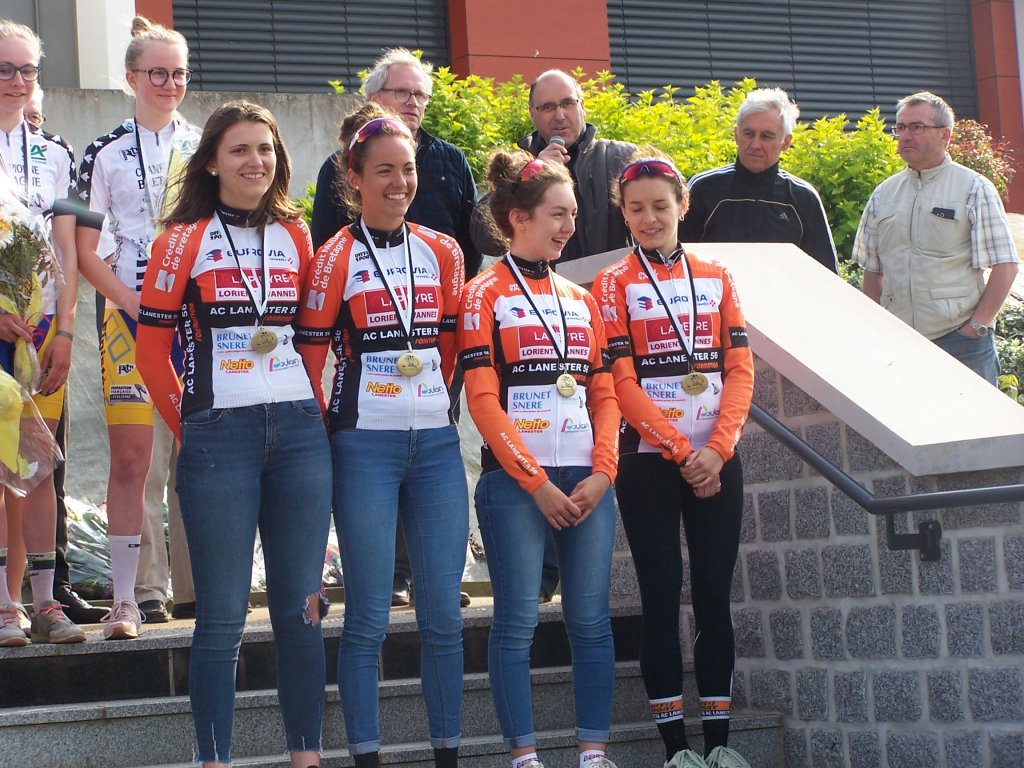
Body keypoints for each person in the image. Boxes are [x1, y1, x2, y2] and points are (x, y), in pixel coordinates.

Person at [136, 100, 332, 768]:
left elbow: (311, 338)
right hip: (219, 434)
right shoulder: (181, 239)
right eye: (240, 150)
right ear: (212, 163)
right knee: (221, 616)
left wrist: (310, 409)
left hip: (299, 434)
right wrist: (193, 426)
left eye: (266, 149)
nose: (256, 162)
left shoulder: (297, 233)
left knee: (303, 610)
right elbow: (150, 354)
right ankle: (214, 761)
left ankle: (306, 759)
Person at [295, 103, 468, 768]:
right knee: (367, 615)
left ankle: (447, 755)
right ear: (354, 179)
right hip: (363, 444)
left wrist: (431, 408)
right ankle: (367, 757)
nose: (400, 183)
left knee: (443, 616)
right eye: (385, 171)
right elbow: (310, 366)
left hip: (435, 447)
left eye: (408, 170)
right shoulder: (334, 257)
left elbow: (450, 351)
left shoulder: (445, 251)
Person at [593, 153, 755, 768]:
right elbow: (621, 381)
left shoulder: (717, 276)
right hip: (648, 461)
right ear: (624, 214)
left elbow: (739, 370)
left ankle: (719, 746)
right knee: (660, 598)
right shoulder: (612, 283)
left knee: (714, 597)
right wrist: (684, 451)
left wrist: (717, 449)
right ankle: (676, 751)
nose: (649, 218)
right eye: (636, 209)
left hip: (717, 458)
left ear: (682, 206)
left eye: (661, 206)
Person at [459, 151, 620, 768]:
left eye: (573, 214)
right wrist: (534, 483)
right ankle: (524, 757)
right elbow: (482, 402)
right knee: (517, 622)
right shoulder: (482, 295)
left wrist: (604, 472)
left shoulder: (582, 298)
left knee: (591, 622)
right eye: (558, 214)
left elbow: (604, 394)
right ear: (518, 219)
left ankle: (593, 754)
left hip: (586, 479)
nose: (569, 227)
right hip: (515, 484)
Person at [311, 47, 480, 608]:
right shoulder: (339, 167)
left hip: (431, 333)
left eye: (420, 94)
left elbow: (468, 248)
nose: (412, 101)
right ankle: (390, 577)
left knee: (426, 447)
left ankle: (422, 573)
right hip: (366, 351)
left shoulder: (450, 160)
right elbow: (326, 257)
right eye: (400, 91)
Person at [76, 15, 200, 637]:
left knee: (197, 454)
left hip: (197, 320)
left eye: (179, 73)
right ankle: (143, 590)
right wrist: (131, 302)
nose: (169, 84)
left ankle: (199, 588)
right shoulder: (103, 152)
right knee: (137, 461)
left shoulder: (205, 145)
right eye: (157, 73)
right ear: (130, 78)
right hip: (128, 316)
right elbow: (84, 250)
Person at [0, 18, 85, 647]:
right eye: (4, 69)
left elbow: (71, 246)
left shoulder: (57, 152)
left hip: (42, 327)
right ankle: (4, 606)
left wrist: (67, 330)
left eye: (26, 69)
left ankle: (46, 603)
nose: (16, 80)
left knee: (39, 464)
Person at [853, 91, 1019, 384]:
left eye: (917, 127)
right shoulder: (883, 194)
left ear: (945, 135)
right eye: (900, 127)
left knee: (972, 416)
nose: (905, 135)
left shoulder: (974, 188)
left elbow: (1005, 265)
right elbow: (873, 270)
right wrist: (879, 328)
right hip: (900, 344)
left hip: (961, 343)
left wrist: (976, 327)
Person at [679, 87, 838, 273]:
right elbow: (674, 261)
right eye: (748, 134)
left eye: (766, 136)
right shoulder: (703, 189)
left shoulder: (803, 198)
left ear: (786, 142)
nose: (755, 145)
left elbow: (826, 274)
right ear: (736, 135)